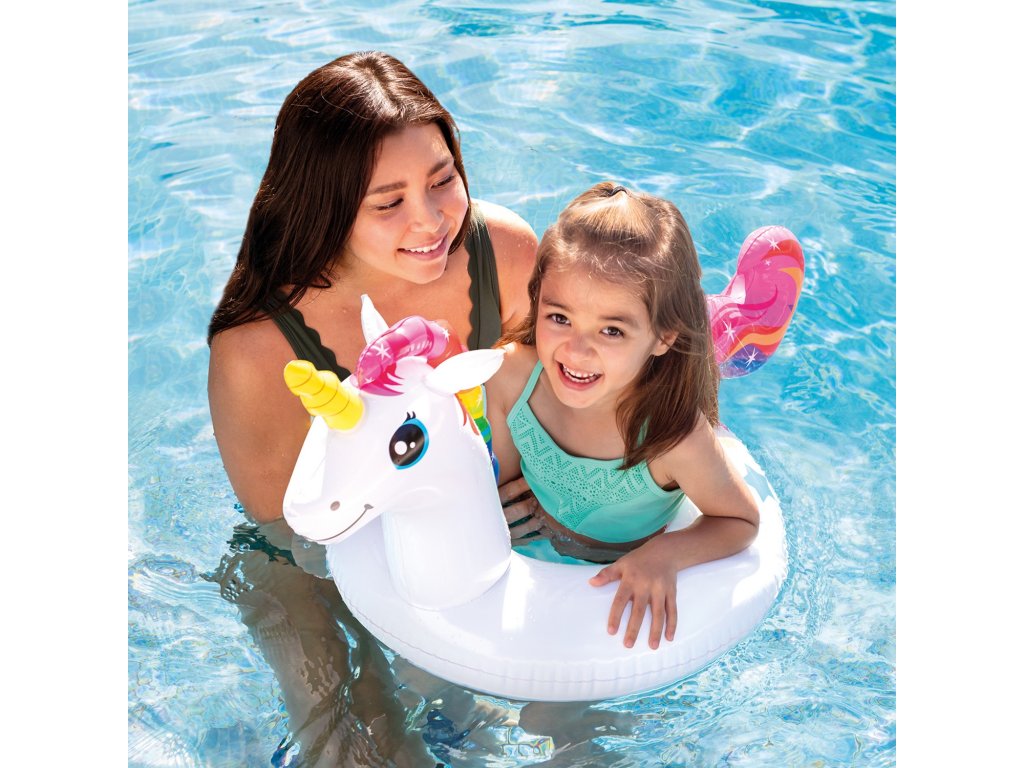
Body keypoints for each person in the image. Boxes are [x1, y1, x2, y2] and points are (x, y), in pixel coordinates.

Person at [205, 51, 539, 766]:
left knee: (510, 723)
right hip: (308, 562)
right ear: (326, 209)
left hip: (467, 531)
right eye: (388, 203)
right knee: (358, 743)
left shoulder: (503, 254)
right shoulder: (259, 349)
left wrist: (535, 490)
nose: (430, 220)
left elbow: (565, 398)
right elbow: (290, 535)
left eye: (442, 179)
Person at [485, 181, 761, 653]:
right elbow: (502, 485)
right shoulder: (512, 378)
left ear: (662, 338)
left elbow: (740, 520)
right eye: (559, 318)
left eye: (611, 330)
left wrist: (666, 553)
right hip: (548, 552)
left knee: (704, 357)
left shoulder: (674, 437)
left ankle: (738, 322)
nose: (576, 350)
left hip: (633, 535)